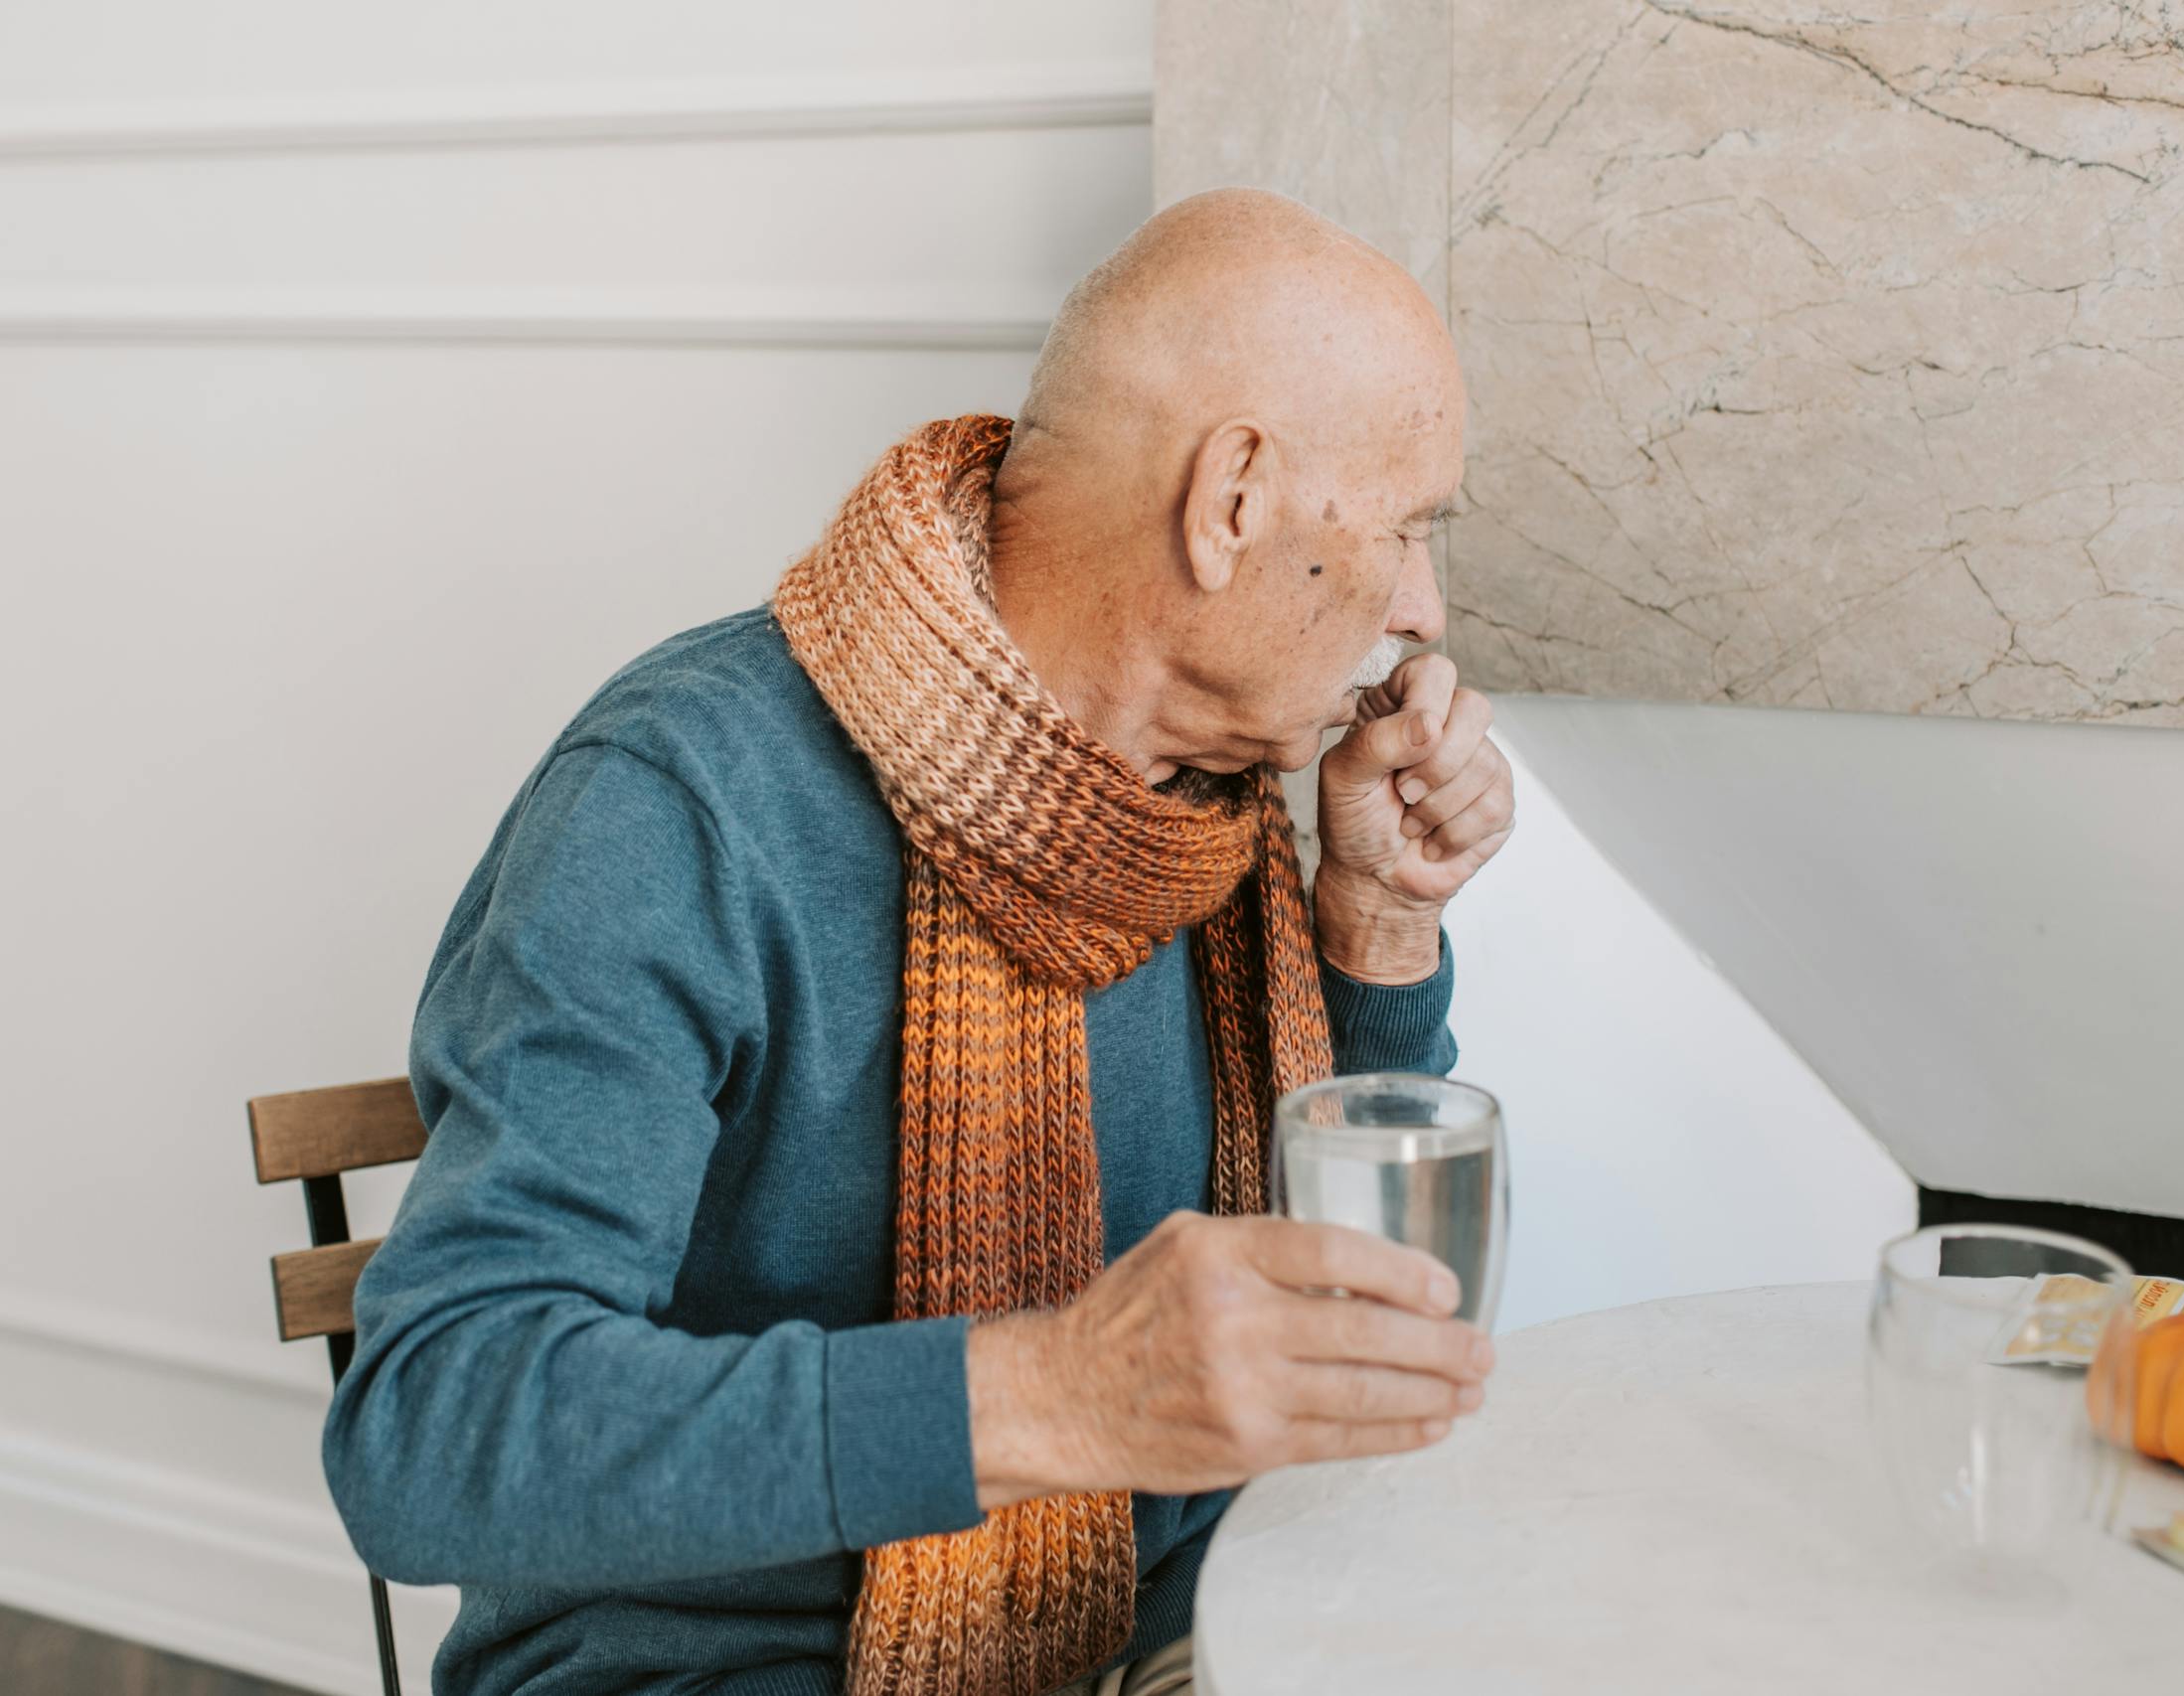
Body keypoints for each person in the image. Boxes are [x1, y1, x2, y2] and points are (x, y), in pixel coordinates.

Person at [323, 188, 1516, 1696]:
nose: (1425, 603)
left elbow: (1303, 1307)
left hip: (1187, 1632)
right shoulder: (680, 804)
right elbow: (430, 1431)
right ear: (1231, 505)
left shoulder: (1209, 821)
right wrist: (1055, 1393)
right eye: (1408, 525)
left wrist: (1380, 922)